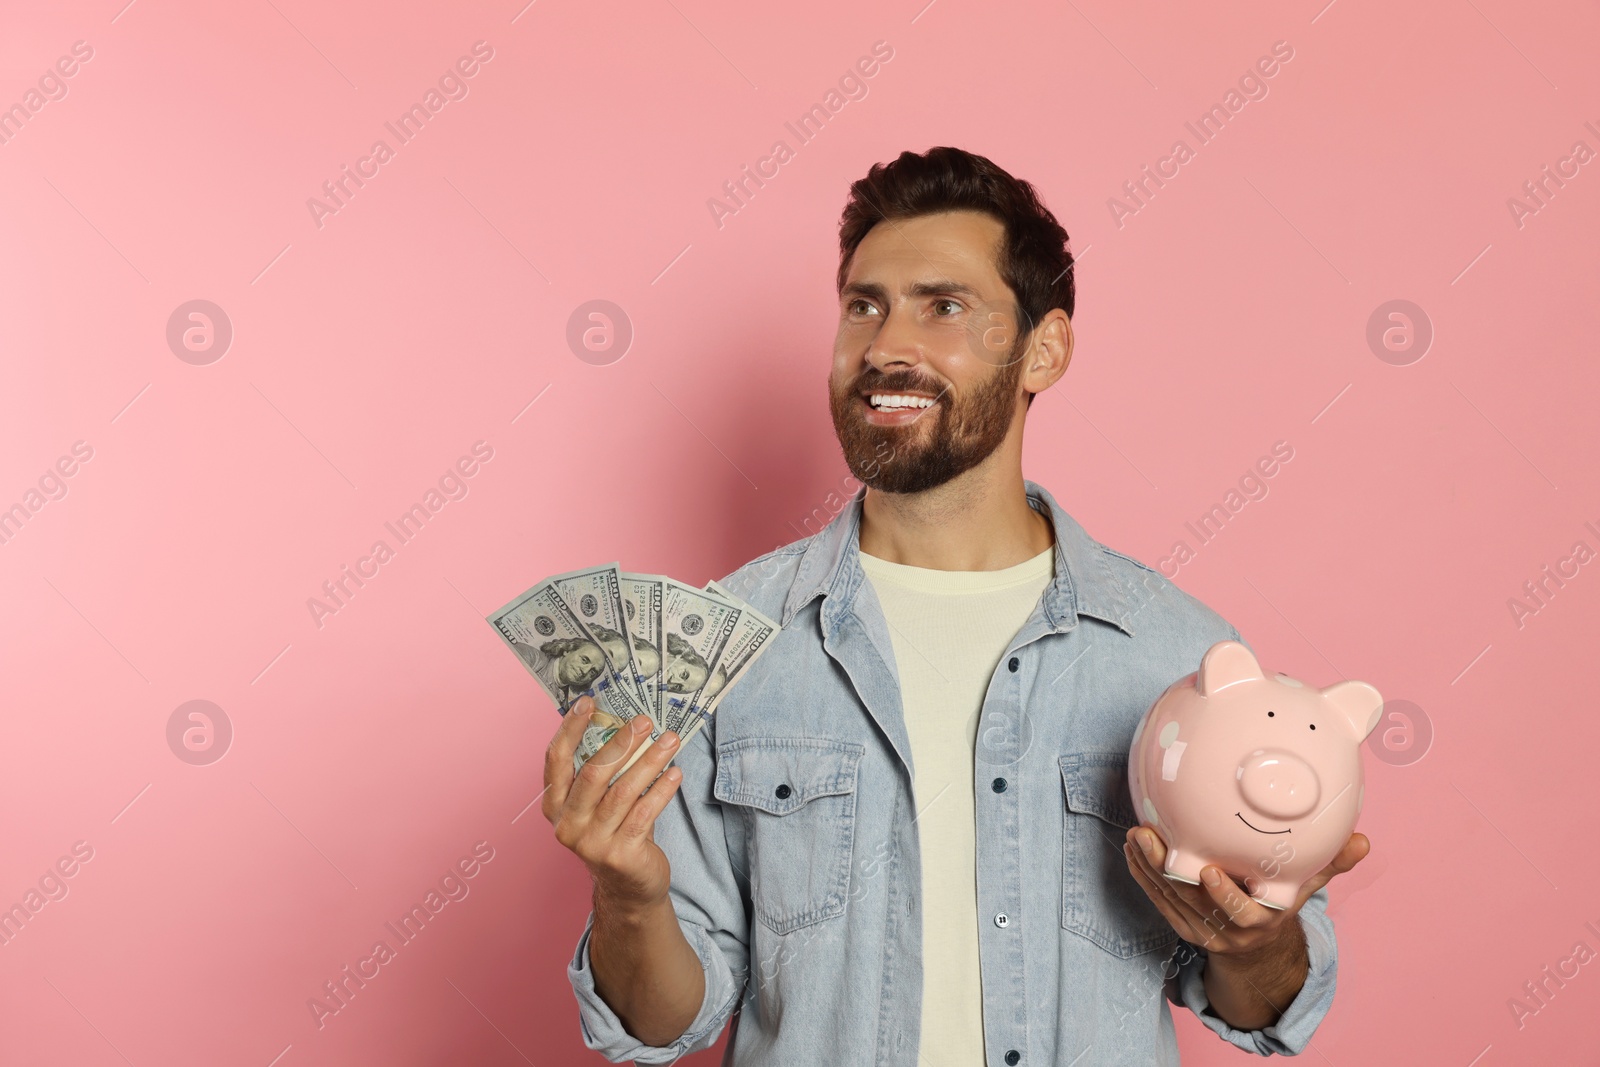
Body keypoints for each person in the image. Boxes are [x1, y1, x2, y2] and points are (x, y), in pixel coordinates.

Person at [541, 146, 1369, 1065]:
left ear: (1042, 350)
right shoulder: (730, 644)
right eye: (865, 305)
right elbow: (659, 1025)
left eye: (945, 306)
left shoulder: (1180, 656)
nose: (887, 346)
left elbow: (1261, 1008)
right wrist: (628, 893)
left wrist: (1254, 941)